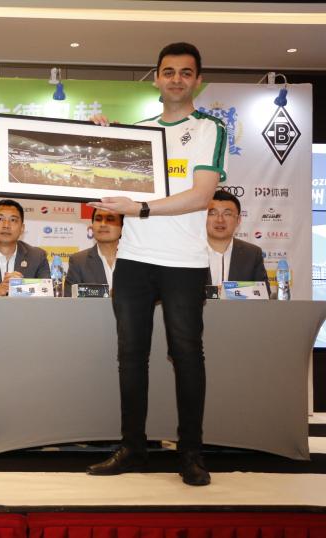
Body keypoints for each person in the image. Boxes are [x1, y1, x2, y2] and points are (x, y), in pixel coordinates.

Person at [87, 42, 227, 486]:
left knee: (187, 355)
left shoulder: (209, 129)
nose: (176, 79)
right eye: (168, 72)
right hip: (134, 258)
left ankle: (191, 454)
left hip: (184, 261)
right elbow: (104, 178)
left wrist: (142, 209)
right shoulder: (140, 131)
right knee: (130, 356)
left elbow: (202, 196)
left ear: (197, 80)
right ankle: (133, 448)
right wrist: (101, 141)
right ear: (156, 79)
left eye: (186, 72)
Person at [207, 190, 270, 296]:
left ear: (238, 220)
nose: (220, 220)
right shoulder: (190, 252)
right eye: (212, 213)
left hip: (240, 308)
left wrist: (225, 292)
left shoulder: (252, 254)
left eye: (227, 214)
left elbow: (263, 293)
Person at [64, 208, 123, 296]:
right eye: (98, 219)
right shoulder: (78, 261)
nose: (103, 224)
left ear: (122, 227)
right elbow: (70, 301)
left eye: (110, 219)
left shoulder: (135, 260)